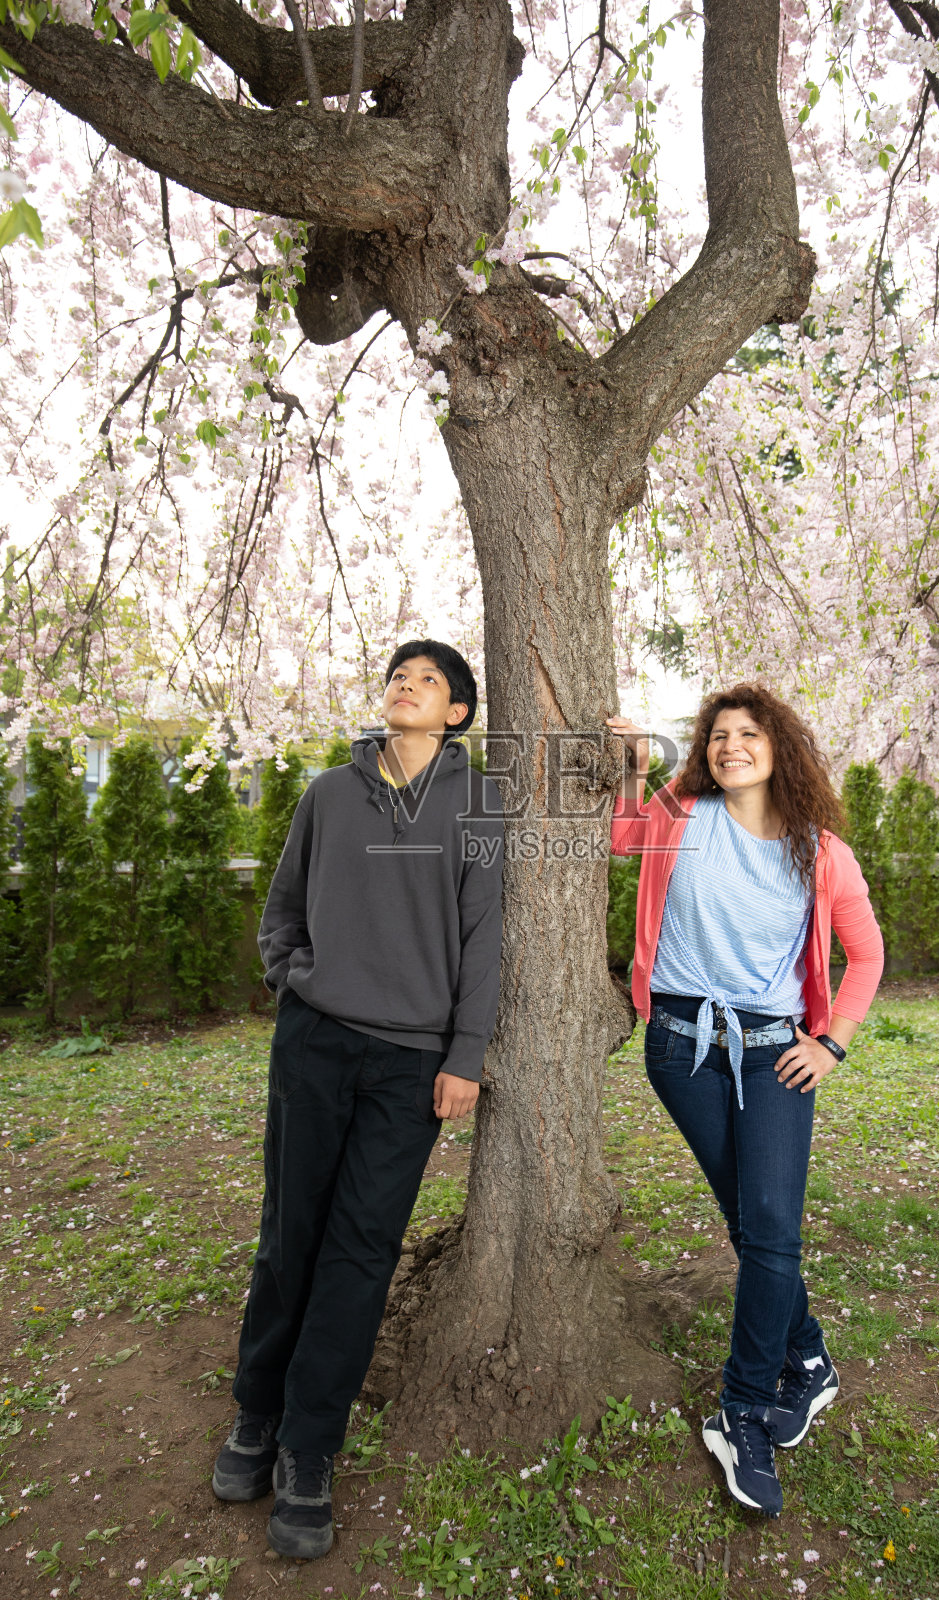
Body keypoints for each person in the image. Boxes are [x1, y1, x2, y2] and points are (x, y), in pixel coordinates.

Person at [213, 642, 504, 1559]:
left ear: (455, 713)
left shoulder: (482, 805)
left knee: (362, 1245)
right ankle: (257, 1410)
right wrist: (292, 982)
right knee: (290, 1229)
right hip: (315, 1041)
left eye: (426, 682)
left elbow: (485, 935)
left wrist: (464, 1054)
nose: (404, 689)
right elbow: (283, 902)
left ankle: (308, 1445)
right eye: (397, 677)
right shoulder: (328, 794)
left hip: (412, 1064)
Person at [606, 685, 883, 1517]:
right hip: (678, 1051)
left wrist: (831, 1042)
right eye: (718, 736)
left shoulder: (821, 852)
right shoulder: (680, 812)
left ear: (778, 748)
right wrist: (633, 769)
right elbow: (623, 839)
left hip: (773, 1057)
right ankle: (810, 1357)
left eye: (748, 734)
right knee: (750, 1224)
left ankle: (744, 1407)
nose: (730, 746)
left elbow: (863, 956)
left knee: (769, 1228)